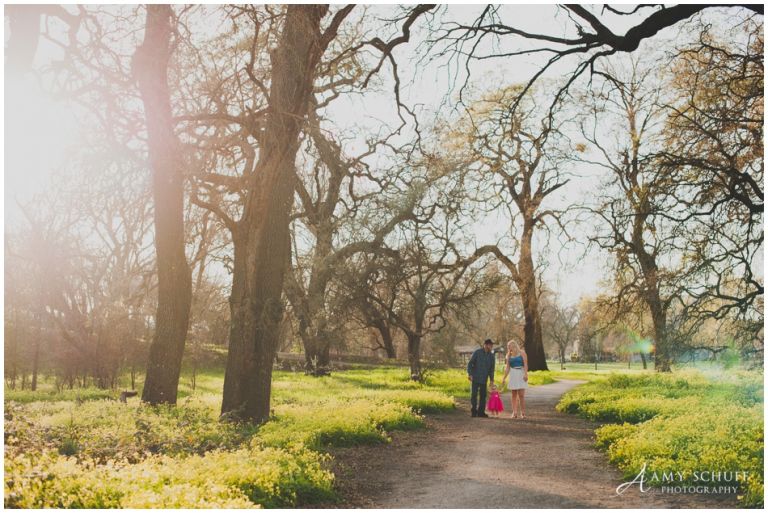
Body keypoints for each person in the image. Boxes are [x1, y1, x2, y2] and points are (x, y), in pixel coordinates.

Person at [467, 338, 495, 417]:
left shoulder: (492, 356)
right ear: (485, 345)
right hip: (475, 377)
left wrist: (492, 380)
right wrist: (470, 374)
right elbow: (470, 364)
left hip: (484, 378)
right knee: (474, 395)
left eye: (492, 345)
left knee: (483, 396)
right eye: (490, 345)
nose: (491, 347)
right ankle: (473, 411)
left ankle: (481, 412)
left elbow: (491, 369)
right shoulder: (477, 352)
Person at [501, 340, 528, 419]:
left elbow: (526, 364)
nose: (508, 348)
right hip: (513, 374)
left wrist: (526, 374)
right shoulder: (508, 355)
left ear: (514, 346)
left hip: (521, 373)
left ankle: (523, 413)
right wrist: (504, 378)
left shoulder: (522, 353)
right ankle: (514, 412)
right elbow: (507, 368)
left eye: (509, 346)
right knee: (514, 395)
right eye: (507, 347)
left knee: (521, 395)